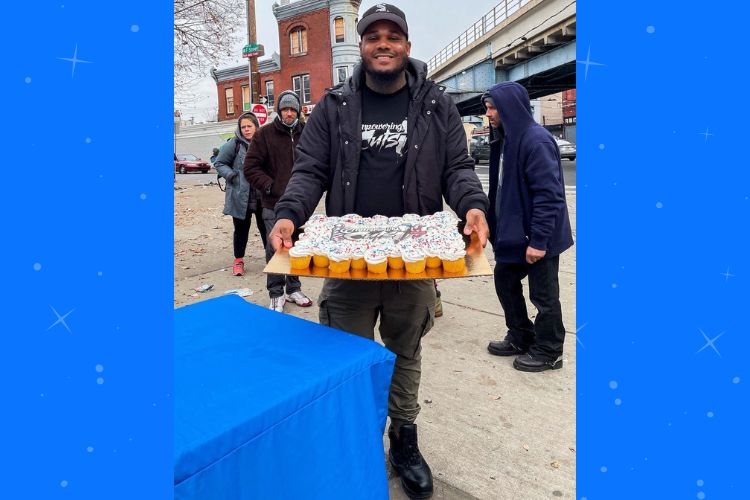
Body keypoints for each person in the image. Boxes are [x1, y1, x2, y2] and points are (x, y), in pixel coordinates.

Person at [267, 5, 489, 498]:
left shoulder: (435, 104)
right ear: (362, 46)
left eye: (393, 36)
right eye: (373, 37)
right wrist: (288, 214)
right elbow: (309, 172)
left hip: (413, 258)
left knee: (405, 350)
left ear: (407, 46)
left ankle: (404, 440)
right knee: (345, 353)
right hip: (347, 260)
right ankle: (354, 438)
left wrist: (472, 205)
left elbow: (457, 166)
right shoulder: (334, 106)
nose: (382, 43)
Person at [482, 82, 574, 372]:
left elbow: (550, 196)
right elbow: (500, 190)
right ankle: (521, 336)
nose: (488, 114)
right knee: (505, 280)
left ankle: (549, 351)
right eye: (486, 108)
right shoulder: (505, 139)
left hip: (539, 237)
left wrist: (538, 241)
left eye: (493, 107)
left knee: (544, 296)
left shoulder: (536, 140)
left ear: (511, 107)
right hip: (515, 235)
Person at [244, 90, 313, 313]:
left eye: (293, 109)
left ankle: (294, 288)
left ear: (299, 110)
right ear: (279, 111)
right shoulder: (264, 135)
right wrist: (270, 186)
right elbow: (250, 167)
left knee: (295, 247)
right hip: (273, 203)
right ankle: (276, 293)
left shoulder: (308, 133)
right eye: (285, 109)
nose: (289, 113)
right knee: (274, 248)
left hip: (300, 205)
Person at [213, 112, 267, 276]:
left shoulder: (264, 142)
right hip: (240, 196)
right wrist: (230, 175)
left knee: (266, 228)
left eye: (249, 126)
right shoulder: (234, 144)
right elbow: (219, 162)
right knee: (241, 230)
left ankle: (271, 259)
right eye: (243, 127)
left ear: (256, 126)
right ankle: (238, 261)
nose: (246, 130)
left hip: (262, 196)